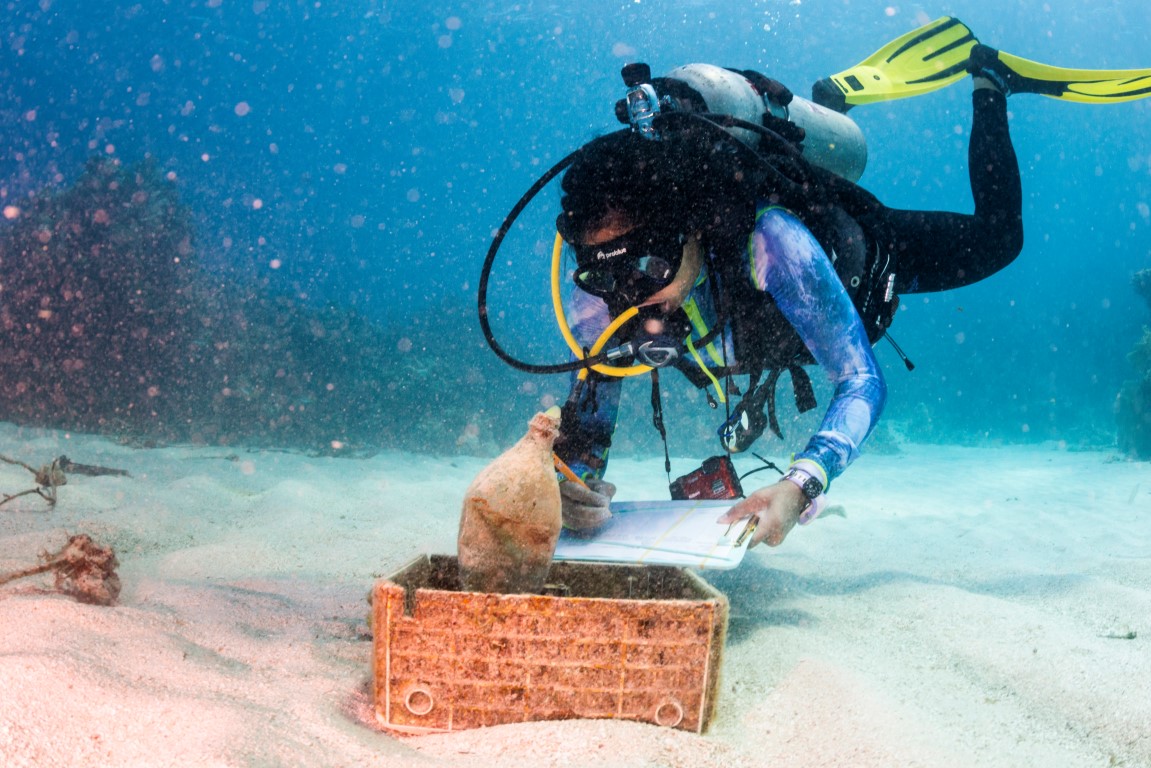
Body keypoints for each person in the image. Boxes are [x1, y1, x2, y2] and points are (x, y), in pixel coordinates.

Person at [546, 24, 1151, 549]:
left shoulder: (772, 245)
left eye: (645, 268)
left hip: (868, 262)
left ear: (691, 232)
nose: (628, 297)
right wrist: (572, 486)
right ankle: (829, 109)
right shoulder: (597, 300)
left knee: (1001, 239)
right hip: (772, 316)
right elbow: (590, 418)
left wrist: (800, 484)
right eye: (604, 273)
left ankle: (989, 83)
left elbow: (861, 380)